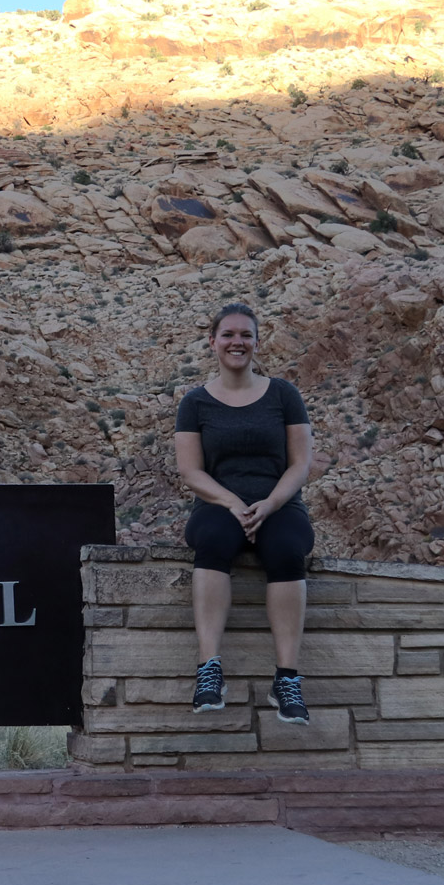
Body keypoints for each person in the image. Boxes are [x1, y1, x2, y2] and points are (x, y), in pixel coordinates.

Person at [172, 303, 315, 724]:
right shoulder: (195, 402)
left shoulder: (284, 395)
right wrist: (233, 503)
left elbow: (300, 464)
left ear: (256, 341)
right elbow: (190, 470)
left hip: (280, 505)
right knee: (213, 542)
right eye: (229, 334)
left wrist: (269, 504)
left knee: (288, 550)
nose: (238, 342)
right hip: (218, 506)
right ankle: (209, 670)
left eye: (246, 335)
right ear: (213, 342)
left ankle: (287, 679)